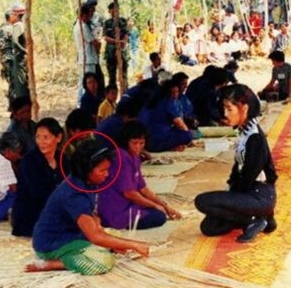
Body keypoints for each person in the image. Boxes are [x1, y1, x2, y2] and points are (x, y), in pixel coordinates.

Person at [26, 140, 150, 275]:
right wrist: (134, 245)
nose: (107, 174)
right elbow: (95, 237)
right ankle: (52, 263)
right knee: (104, 261)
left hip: (72, 233)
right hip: (52, 244)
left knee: (114, 236)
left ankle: (79, 252)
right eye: (102, 170)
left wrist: (98, 227)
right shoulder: (73, 195)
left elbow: (92, 217)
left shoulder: (87, 181)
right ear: (87, 170)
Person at [195, 85, 277, 242]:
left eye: (229, 109)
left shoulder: (255, 138)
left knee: (202, 201)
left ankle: (256, 218)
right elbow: (238, 166)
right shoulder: (244, 130)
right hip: (247, 192)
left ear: (244, 108)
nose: (225, 114)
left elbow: (248, 177)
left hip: (259, 195)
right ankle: (258, 219)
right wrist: (230, 190)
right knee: (209, 227)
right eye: (224, 108)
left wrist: (230, 197)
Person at [98, 120, 181, 230]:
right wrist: (155, 205)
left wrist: (166, 207)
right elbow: (129, 193)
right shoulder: (121, 157)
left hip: (127, 204)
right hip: (115, 209)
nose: (138, 147)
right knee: (159, 216)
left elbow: (143, 188)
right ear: (126, 141)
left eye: (141, 143)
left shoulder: (135, 156)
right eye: (134, 143)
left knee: (159, 210)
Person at [11, 118, 64, 237]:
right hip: (31, 215)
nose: (41, 142)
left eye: (46, 137)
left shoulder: (63, 159)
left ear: (58, 137)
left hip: (54, 211)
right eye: (38, 137)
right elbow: (38, 194)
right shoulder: (29, 161)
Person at [140, 80, 194, 152]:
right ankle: (170, 147)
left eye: (177, 92)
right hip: (156, 141)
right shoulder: (168, 102)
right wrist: (189, 137)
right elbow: (179, 123)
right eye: (173, 92)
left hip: (145, 141)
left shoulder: (150, 102)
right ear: (168, 93)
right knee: (188, 135)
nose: (175, 95)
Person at [0, 2, 29, 103]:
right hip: (11, 60)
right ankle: (15, 105)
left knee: (13, 84)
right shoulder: (10, 28)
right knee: (16, 84)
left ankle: (14, 104)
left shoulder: (2, 28)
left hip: (7, 59)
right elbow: (15, 43)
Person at [73, 3, 100, 104]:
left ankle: (80, 103)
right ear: (83, 15)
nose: (89, 17)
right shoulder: (83, 26)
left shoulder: (76, 26)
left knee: (82, 82)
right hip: (87, 58)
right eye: (88, 15)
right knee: (88, 83)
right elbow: (94, 42)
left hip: (83, 58)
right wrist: (98, 44)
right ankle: (84, 103)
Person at [104, 2, 129, 88]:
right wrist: (117, 41)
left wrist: (123, 43)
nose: (114, 12)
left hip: (122, 51)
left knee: (124, 75)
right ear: (109, 11)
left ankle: (125, 94)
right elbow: (106, 37)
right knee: (112, 76)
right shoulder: (107, 23)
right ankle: (112, 97)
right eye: (112, 10)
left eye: (116, 10)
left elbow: (126, 34)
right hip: (110, 53)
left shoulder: (123, 21)